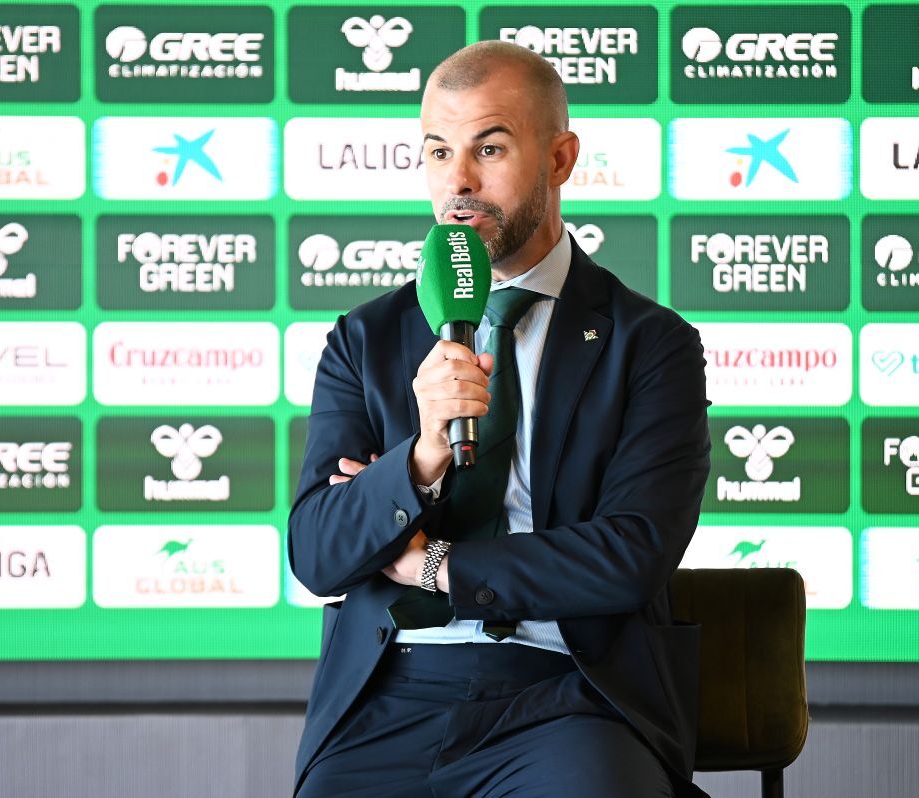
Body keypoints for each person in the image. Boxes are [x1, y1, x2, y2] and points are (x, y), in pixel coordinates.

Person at [289, 40, 711, 798]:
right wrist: (416, 459)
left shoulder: (651, 345)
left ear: (559, 159)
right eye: (438, 151)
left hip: (572, 695)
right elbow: (319, 552)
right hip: (392, 692)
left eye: (490, 147)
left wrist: (431, 564)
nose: (459, 181)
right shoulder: (367, 338)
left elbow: (629, 554)